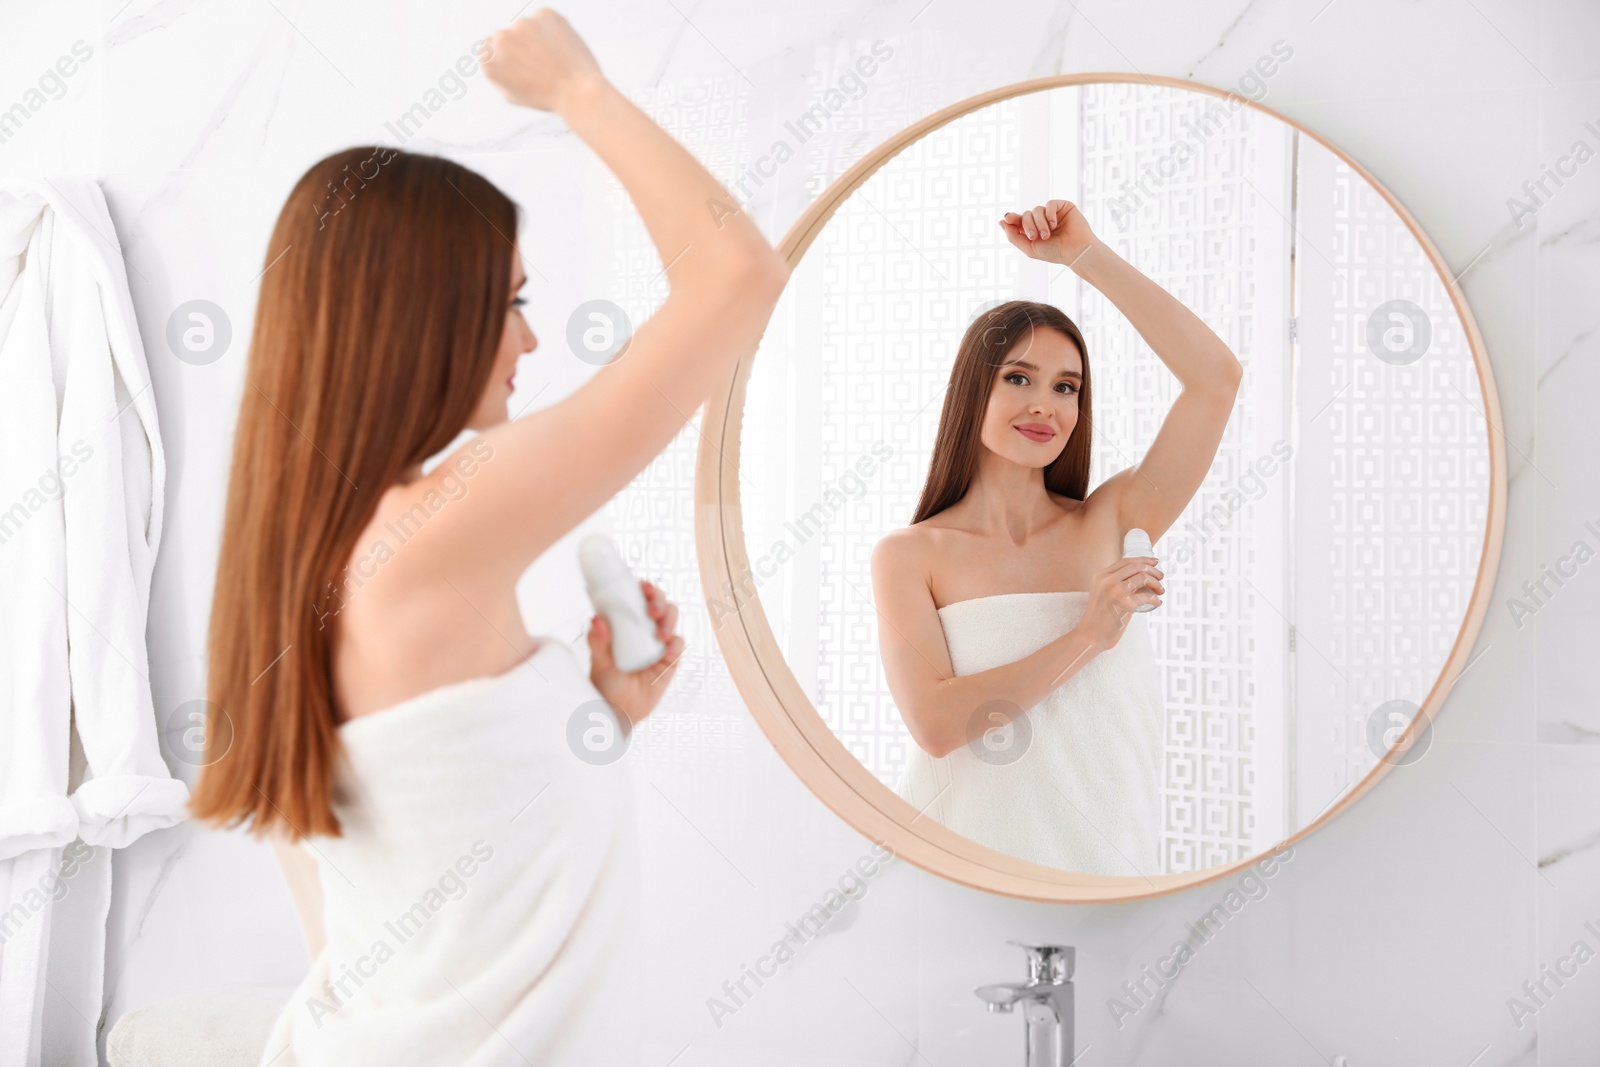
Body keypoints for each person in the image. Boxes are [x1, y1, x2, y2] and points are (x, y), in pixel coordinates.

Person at [185, 10, 789, 1064]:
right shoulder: (432, 524)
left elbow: (377, 902)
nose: (531, 336)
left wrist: (597, 716)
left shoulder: (289, 564)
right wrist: (579, 93)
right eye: (507, 301)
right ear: (420, 317)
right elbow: (740, 278)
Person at [876, 199, 1242, 876]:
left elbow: (1215, 380)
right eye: (1019, 378)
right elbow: (935, 724)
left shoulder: (1111, 518)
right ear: (972, 393)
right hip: (961, 871)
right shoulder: (911, 555)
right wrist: (1086, 637)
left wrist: (1085, 256)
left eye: (1067, 386)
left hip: (1108, 869)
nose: (1047, 404)